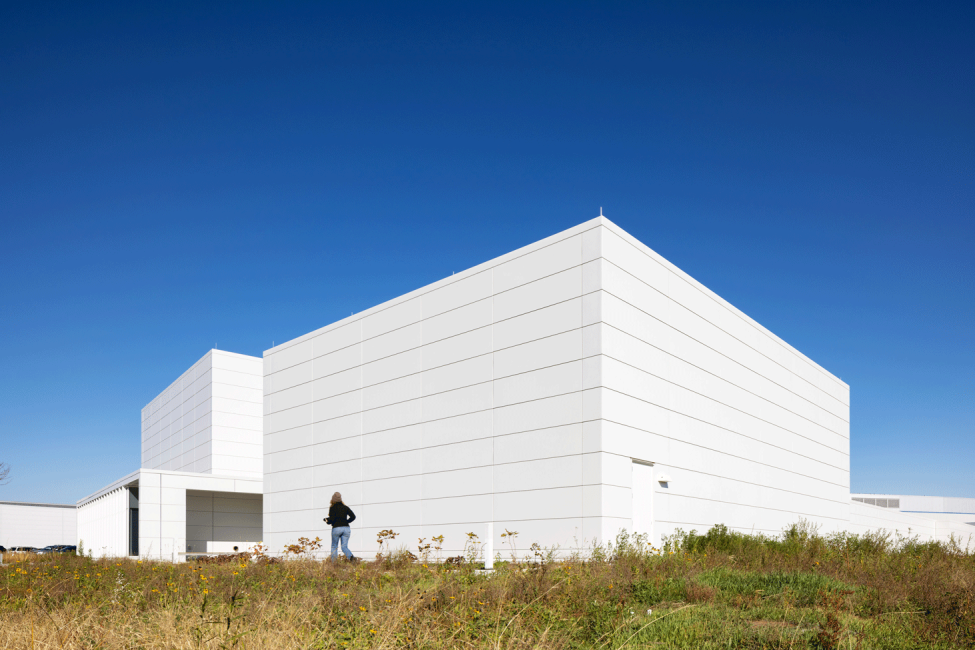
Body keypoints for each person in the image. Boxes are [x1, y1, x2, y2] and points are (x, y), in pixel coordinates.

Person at [324, 492, 357, 561]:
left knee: (334, 546)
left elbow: (332, 519)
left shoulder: (332, 508)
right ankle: (352, 558)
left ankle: (334, 564)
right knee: (344, 547)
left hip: (337, 528)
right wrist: (346, 521)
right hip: (346, 528)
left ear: (333, 500)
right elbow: (353, 516)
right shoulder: (345, 507)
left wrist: (327, 520)